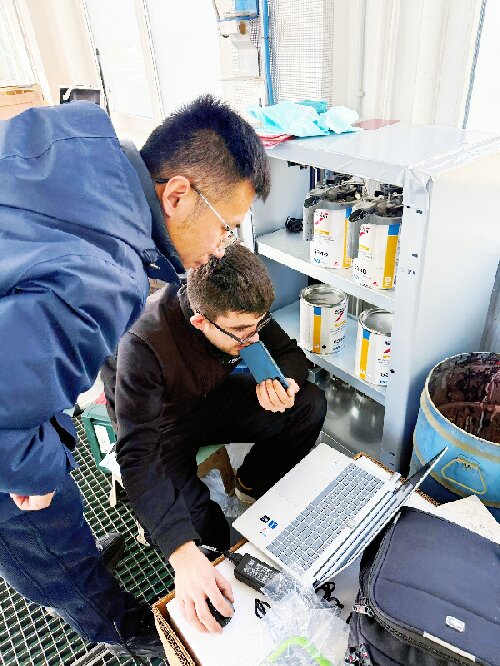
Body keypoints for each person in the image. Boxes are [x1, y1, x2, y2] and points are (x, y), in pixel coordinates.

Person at [0, 95, 270, 658]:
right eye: (226, 228)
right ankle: (123, 627)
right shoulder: (105, 279)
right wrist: (39, 471)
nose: (221, 248)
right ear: (177, 195)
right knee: (46, 532)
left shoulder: (73, 135)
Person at [112, 244, 327, 635]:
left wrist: (284, 382)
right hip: (162, 425)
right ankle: (213, 552)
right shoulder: (143, 344)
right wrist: (180, 551)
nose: (253, 338)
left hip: (211, 399)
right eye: (243, 332)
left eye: (259, 325)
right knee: (202, 531)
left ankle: (252, 484)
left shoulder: (240, 314)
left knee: (308, 404)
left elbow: (290, 353)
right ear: (200, 321)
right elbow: (137, 456)